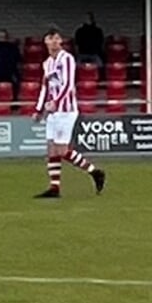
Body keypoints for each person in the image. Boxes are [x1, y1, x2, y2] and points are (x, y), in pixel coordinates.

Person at [32, 27, 104, 199]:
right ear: (46, 41)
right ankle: (54, 187)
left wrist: (56, 102)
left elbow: (68, 84)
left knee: (62, 150)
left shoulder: (67, 59)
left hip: (66, 110)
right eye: (51, 38)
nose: (55, 41)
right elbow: (45, 87)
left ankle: (95, 172)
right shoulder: (47, 63)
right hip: (52, 112)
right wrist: (38, 109)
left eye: (57, 38)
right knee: (51, 150)